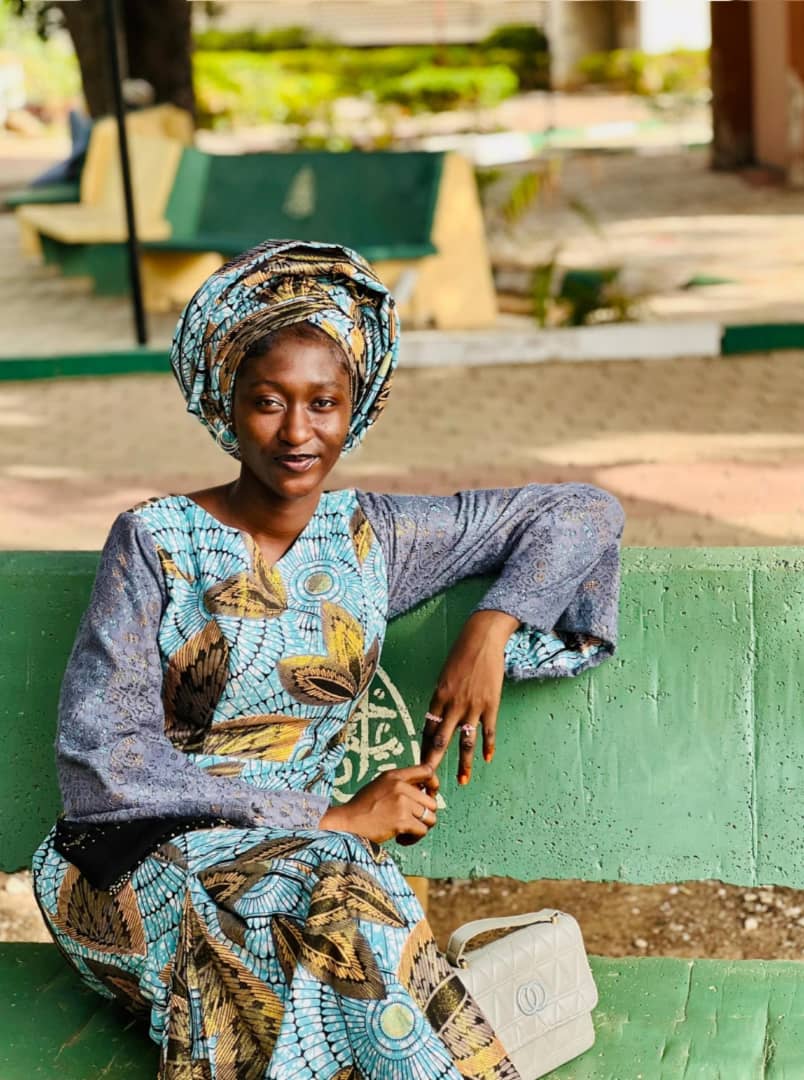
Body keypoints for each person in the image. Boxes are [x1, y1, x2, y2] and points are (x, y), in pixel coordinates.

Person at [32, 240, 623, 1080]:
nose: (298, 432)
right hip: (131, 866)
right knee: (328, 896)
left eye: (324, 403)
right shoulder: (154, 543)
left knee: (325, 916)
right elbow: (104, 762)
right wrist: (329, 818)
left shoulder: (374, 539)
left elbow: (583, 511)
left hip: (309, 878)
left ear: (358, 408)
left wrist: (492, 628)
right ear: (227, 402)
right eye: (269, 402)